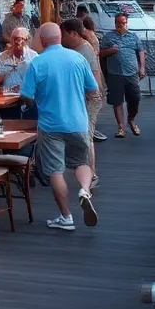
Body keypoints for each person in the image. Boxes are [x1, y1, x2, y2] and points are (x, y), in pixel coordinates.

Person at [21, 23, 99, 232]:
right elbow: (93, 88)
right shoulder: (78, 58)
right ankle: (84, 190)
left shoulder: (38, 63)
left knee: (56, 171)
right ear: (59, 37)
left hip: (50, 124)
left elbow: (26, 97)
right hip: (77, 121)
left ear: (43, 40)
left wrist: (34, 98)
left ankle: (66, 217)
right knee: (81, 163)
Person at [61, 19, 105, 187]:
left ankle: (92, 175)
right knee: (81, 134)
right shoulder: (77, 48)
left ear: (73, 33)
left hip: (89, 98)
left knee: (87, 135)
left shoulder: (84, 51)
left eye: (64, 34)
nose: (62, 39)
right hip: (81, 98)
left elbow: (94, 78)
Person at [99, 13, 146, 138]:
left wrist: (142, 67)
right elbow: (100, 54)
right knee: (117, 101)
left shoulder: (133, 36)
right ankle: (121, 126)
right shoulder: (108, 37)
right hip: (115, 73)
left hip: (131, 73)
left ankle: (131, 119)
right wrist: (110, 51)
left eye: (123, 23)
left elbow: (140, 51)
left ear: (127, 23)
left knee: (135, 99)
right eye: (117, 23)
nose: (120, 25)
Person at [0, 27, 38, 93]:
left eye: (20, 39)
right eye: (14, 39)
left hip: (27, 98)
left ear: (26, 40)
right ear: (10, 40)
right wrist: (6, 72)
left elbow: (38, 80)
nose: (17, 42)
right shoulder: (1, 57)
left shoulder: (33, 56)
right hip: (7, 97)